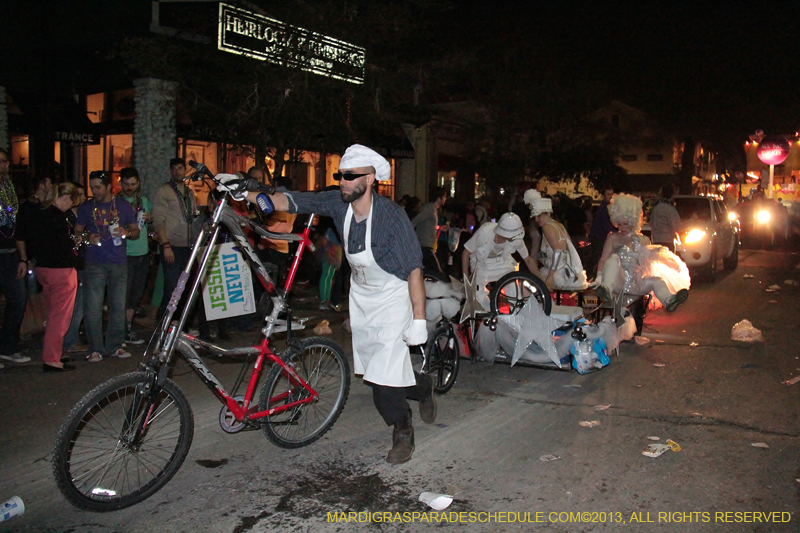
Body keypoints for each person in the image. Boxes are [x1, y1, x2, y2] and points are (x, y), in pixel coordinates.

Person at [219, 144, 435, 465]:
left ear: (371, 178)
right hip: (361, 294)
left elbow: (414, 270)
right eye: (340, 176)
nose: (343, 182)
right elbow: (291, 201)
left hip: (393, 295)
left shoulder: (393, 217)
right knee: (375, 370)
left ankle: (402, 428)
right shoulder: (337, 202)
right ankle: (421, 385)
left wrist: (419, 319)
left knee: (382, 373)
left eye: (350, 176)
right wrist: (244, 193)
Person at [74, 171, 139, 362]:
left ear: (109, 187)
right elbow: (76, 232)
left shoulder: (123, 206)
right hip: (95, 262)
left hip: (118, 262)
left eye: (98, 187)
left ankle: (114, 346)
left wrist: (126, 232)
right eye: (92, 187)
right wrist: (87, 238)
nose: (94, 191)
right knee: (93, 307)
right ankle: (95, 348)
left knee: (118, 306)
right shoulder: (87, 207)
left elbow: (136, 232)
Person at [17, 183, 80, 371]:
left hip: (43, 268)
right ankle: (52, 358)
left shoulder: (37, 213)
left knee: (53, 311)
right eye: (72, 200)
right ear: (65, 197)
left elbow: (25, 235)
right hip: (61, 269)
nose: (71, 204)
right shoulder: (59, 218)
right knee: (60, 317)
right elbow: (64, 246)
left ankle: (56, 353)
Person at [593, 193, 690, 312]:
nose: (621, 228)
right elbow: (603, 260)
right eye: (619, 224)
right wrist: (599, 278)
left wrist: (670, 263)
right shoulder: (613, 238)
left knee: (656, 279)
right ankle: (606, 290)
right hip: (618, 281)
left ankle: (669, 300)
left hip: (636, 283)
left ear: (633, 221)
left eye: (626, 224)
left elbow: (652, 260)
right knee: (613, 258)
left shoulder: (644, 240)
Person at [461, 212, 540, 308]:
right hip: (481, 265)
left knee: (513, 287)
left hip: (503, 264)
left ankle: (514, 314)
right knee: (477, 295)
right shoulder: (484, 232)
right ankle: (487, 313)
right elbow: (466, 253)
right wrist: (467, 282)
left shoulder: (516, 239)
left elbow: (528, 260)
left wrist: (541, 283)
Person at [152, 158, 197, 318]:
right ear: (171, 172)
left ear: (185, 170)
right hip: (171, 246)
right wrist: (165, 245)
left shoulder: (189, 193)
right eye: (174, 169)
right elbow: (158, 220)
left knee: (185, 288)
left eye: (180, 168)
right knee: (172, 287)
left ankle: (178, 324)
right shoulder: (164, 191)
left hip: (188, 246)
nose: (177, 172)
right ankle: (163, 323)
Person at [0, 149, 31, 366]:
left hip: (10, 253)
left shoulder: (9, 187)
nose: (4, 166)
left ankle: (8, 346)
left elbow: (17, 225)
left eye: (4, 162)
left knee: (18, 300)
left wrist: (23, 258)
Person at [525, 190, 588, 290]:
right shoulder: (559, 225)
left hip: (559, 274)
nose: (536, 220)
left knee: (530, 287)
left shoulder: (547, 228)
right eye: (535, 217)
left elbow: (558, 251)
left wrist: (551, 275)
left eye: (538, 216)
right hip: (569, 272)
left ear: (546, 213)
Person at [119, 167, 152, 345]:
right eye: (126, 184)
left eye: (133, 184)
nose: (129, 187)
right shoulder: (117, 202)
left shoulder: (144, 200)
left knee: (136, 294)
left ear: (138, 184)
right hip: (125, 254)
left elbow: (151, 221)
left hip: (142, 252)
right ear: (121, 183)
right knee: (123, 294)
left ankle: (128, 327)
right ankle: (120, 329)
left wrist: (149, 217)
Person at [63, 184, 87, 353]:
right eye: (78, 194)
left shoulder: (83, 215)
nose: (82, 198)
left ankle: (72, 337)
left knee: (82, 304)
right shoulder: (66, 217)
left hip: (84, 263)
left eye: (83, 194)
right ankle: (70, 341)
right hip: (73, 265)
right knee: (76, 305)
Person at [412, 187, 448, 275]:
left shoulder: (433, 210)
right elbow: (414, 221)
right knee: (437, 273)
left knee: (428, 273)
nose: (445, 199)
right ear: (439, 198)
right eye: (444, 196)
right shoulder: (429, 209)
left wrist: (439, 228)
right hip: (424, 246)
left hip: (427, 246)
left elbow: (427, 225)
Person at [587, 185, 616, 277]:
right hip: (599, 237)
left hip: (600, 236)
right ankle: (590, 276)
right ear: (603, 196)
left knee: (597, 258)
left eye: (612, 194)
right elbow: (606, 225)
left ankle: (591, 275)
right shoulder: (604, 208)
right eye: (608, 194)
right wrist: (616, 230)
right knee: (597, 258)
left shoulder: (607, 207)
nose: (610, 197)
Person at [649, 184, 682, 252]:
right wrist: (692, 222)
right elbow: (677, 227)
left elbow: (651, 222)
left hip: (655, 241)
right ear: (672, 195)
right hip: (667, 241)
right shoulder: (669, 209)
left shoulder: (656, 207)